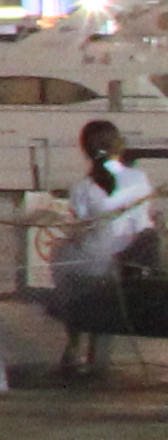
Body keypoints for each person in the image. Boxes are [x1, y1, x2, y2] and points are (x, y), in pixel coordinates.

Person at [55, 119, 158, 341]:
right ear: (118, 145)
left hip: (96, 260)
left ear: (86, 151)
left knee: (60, 254)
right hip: (129, 259)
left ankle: (73, 341)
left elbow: (80, 229)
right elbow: (143, 227)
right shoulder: (139, 179)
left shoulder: (82, 187)